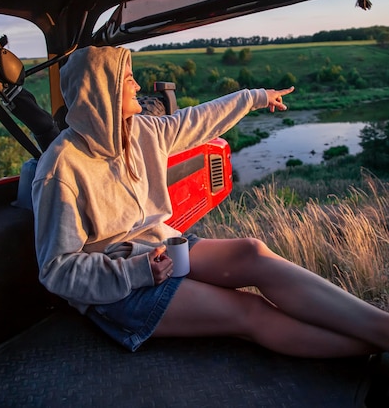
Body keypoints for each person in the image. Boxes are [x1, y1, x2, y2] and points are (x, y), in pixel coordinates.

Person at [32, 45, 389, 357]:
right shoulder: (61, 167)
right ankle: (374, 347)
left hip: (160, 248)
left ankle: (381, 328)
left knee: (252, 252)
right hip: (119, 286)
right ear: (103, 89)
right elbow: (58, 269)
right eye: (129, 79)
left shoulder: (141, 132)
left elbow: (198, 120)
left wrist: (255, 97)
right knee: (249, 311)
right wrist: (136, 272)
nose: (138, 86)